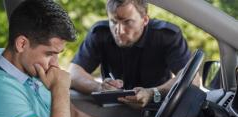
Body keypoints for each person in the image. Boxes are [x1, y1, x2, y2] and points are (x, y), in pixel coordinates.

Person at [0, 0, 194, 117]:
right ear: (22, 44)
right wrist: (61, 89)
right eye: (50, 53)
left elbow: (74, 116)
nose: (55, 64)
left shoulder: (29, 73)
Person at [69, 0, 199, 108]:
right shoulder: (99, 34)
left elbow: (192, 79)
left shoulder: (166, 35)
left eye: (127, 22)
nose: (119, 31)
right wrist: (99, 87)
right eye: (113, 21)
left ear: (145, 20)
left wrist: (153, 93)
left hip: (157, 108)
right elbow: (73, 73)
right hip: (114, 109)